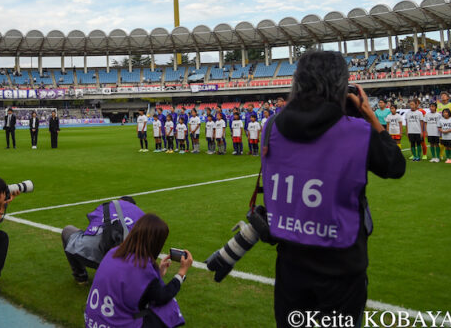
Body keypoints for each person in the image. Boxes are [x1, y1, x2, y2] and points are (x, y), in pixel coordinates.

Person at [224, 50, 405, 328]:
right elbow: (395, 165)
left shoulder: (272, 126)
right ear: (340, 85)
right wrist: (367, 112)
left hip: (290, 263)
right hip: (341, 265)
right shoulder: (357, 130)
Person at [85, 213, 191, 328]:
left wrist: (157, 274)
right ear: (155, 243)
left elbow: (132, 283)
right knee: (168, 308)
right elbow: (161, 296)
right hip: (114, 323)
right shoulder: (141, 266)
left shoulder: (113, 252)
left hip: (93, 320)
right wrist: (182, 273)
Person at [61, 196, 145, 284]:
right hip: (121, 264)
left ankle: (81, 276)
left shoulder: (107, 205)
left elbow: (92, 225)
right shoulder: (140, 215)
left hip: (87, 254)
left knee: (68, 230)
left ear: (120, 201)